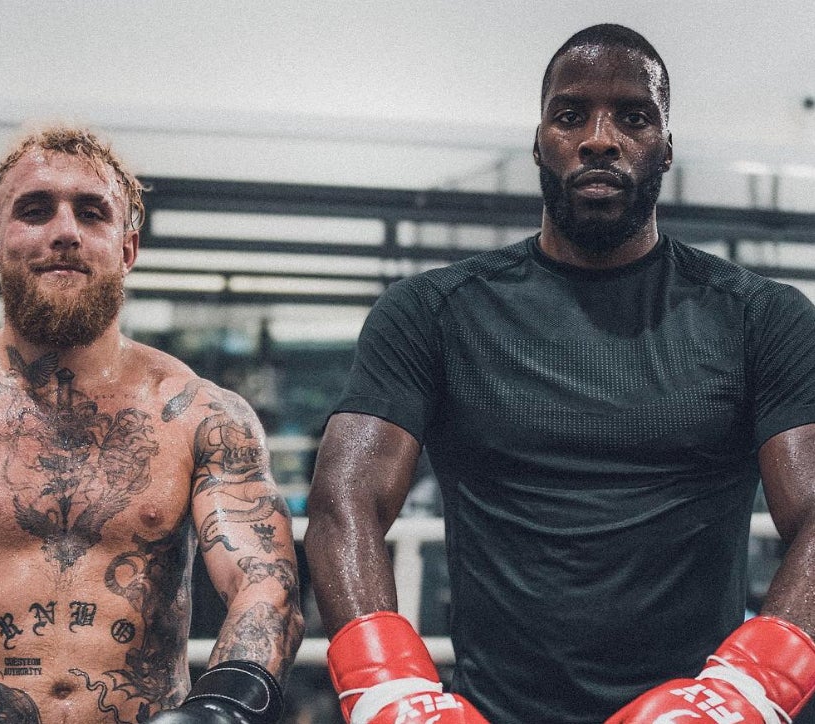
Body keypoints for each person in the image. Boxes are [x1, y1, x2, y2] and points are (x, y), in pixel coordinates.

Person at [304, 23, 815, 724]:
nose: (599, 138)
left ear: (665, 147)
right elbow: (344, 501)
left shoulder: (761, 318)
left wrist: (748, 690)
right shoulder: (432, 313)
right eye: (569, 114)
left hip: (701, 707)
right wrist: (387, 685)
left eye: (633, 116)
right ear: (538, 139)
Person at [0, 126, 304, 724]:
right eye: (35, 211)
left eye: (92, 213)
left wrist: (221, 711)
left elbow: (267, 588)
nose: (65, 232)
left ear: (126, 248)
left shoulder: (201, 414)